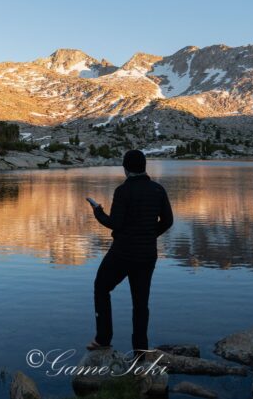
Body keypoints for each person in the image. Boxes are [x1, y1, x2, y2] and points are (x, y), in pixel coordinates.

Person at [87, 149, 174, 354]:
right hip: (146, 255)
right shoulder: (158, 190)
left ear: (125, 169)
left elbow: (114, 223)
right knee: (141, 303)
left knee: (101, 287)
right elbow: (168, 222)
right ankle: (140, 352)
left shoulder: (123, 191)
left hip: (122, 253)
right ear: (144, 167)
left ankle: (103, 338)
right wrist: (150, 235)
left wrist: (97, 211)